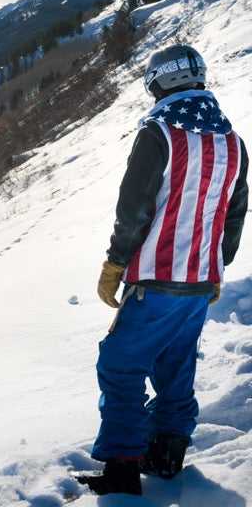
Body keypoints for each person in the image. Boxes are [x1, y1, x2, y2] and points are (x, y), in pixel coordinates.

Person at [78, 44, 249, 496]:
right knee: (175, 363)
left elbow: (133, 209)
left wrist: (116, 262)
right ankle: (168, 453)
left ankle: (122, 470)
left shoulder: (159, 133)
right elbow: (235, 213)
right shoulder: (233, 141)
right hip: (199, 280)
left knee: (120, 364)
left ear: (160, 82)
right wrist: (217, 268)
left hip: (155, 276)